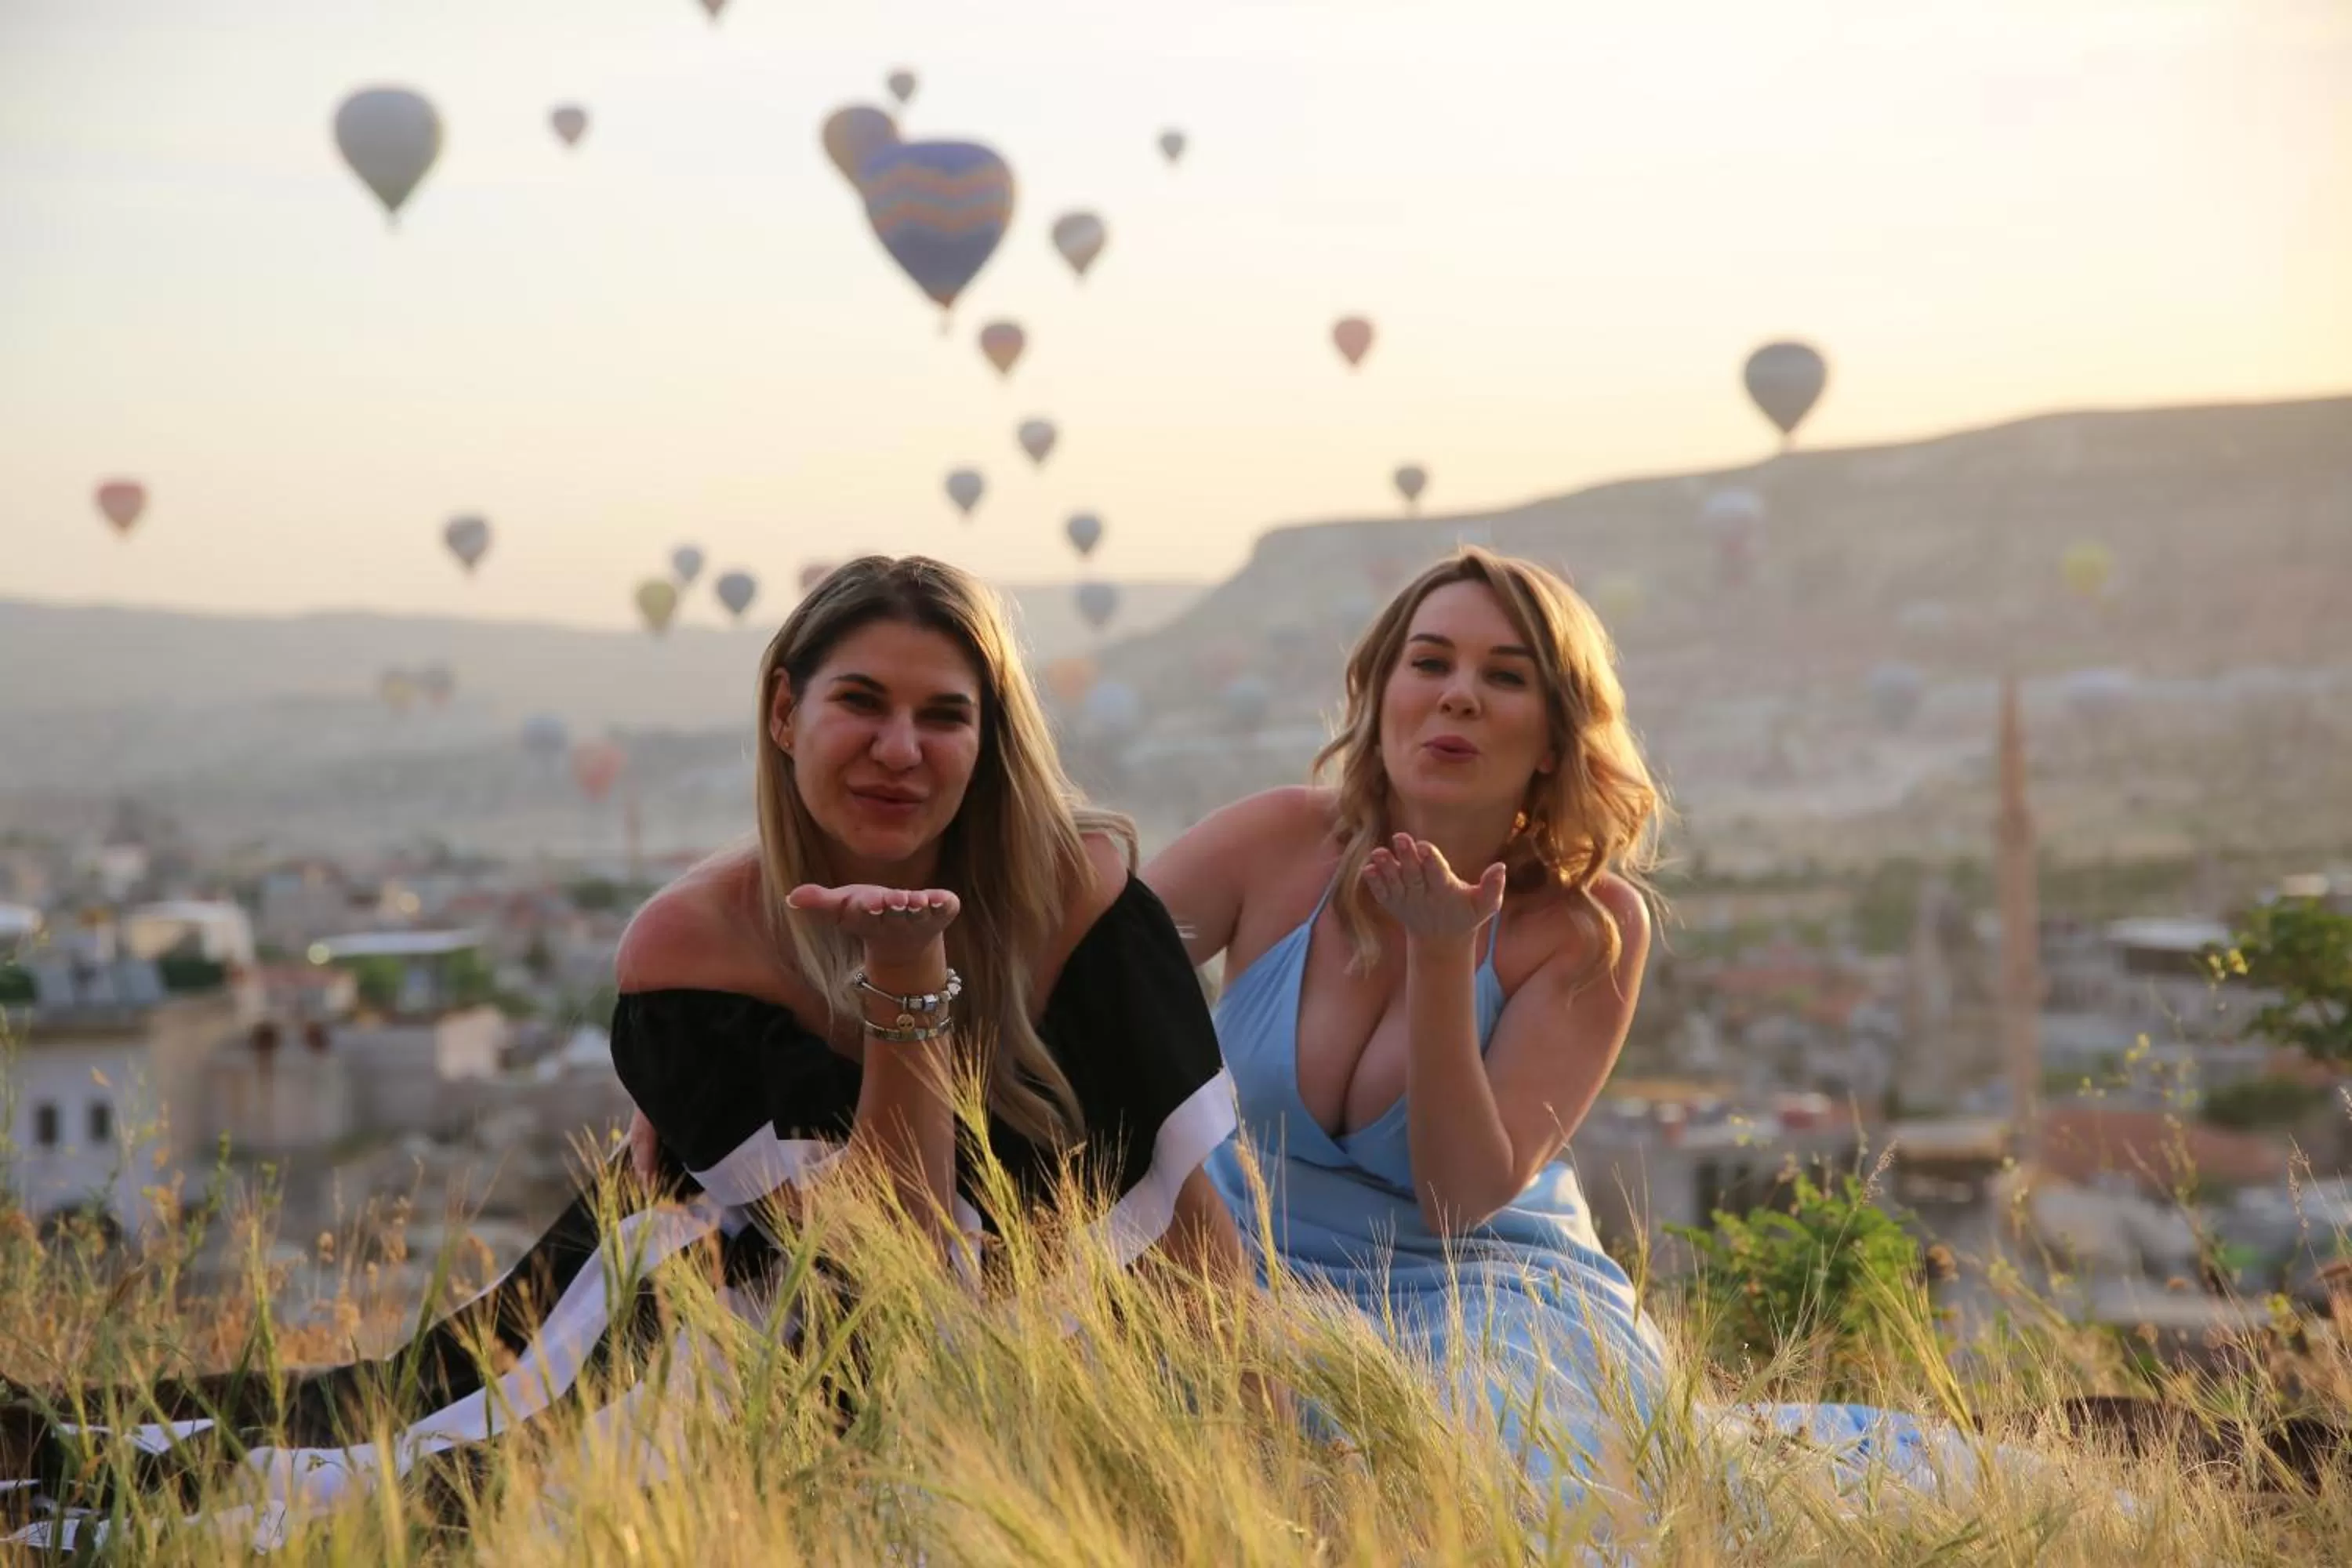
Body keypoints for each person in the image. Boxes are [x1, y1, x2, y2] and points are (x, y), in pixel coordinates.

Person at [3, 556, 1245, 1550]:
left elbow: (1191, 1223)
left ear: (990, 740)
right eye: (859, 701)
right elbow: (895, 1254)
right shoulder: (696, 940)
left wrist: (1259, 1431)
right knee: (350, 1485)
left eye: (945, 715)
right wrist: (907, 995)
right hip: (689, 1334)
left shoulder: (1079, 894)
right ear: (782, 711)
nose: (900, 749)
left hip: (989, 1367)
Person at [1142, 546, 1671, 1502]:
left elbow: (1461, 1195)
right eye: (1430, 663)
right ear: (1380, 694)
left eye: (1505, 676)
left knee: (1480, 1477)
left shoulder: (1587, 928)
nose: (1458, 695)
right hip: (1229, 1277)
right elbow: (1083, 990)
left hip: (1477, 1298)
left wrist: (1441, 961)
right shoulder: (1269, 844)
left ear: (1554, 736)